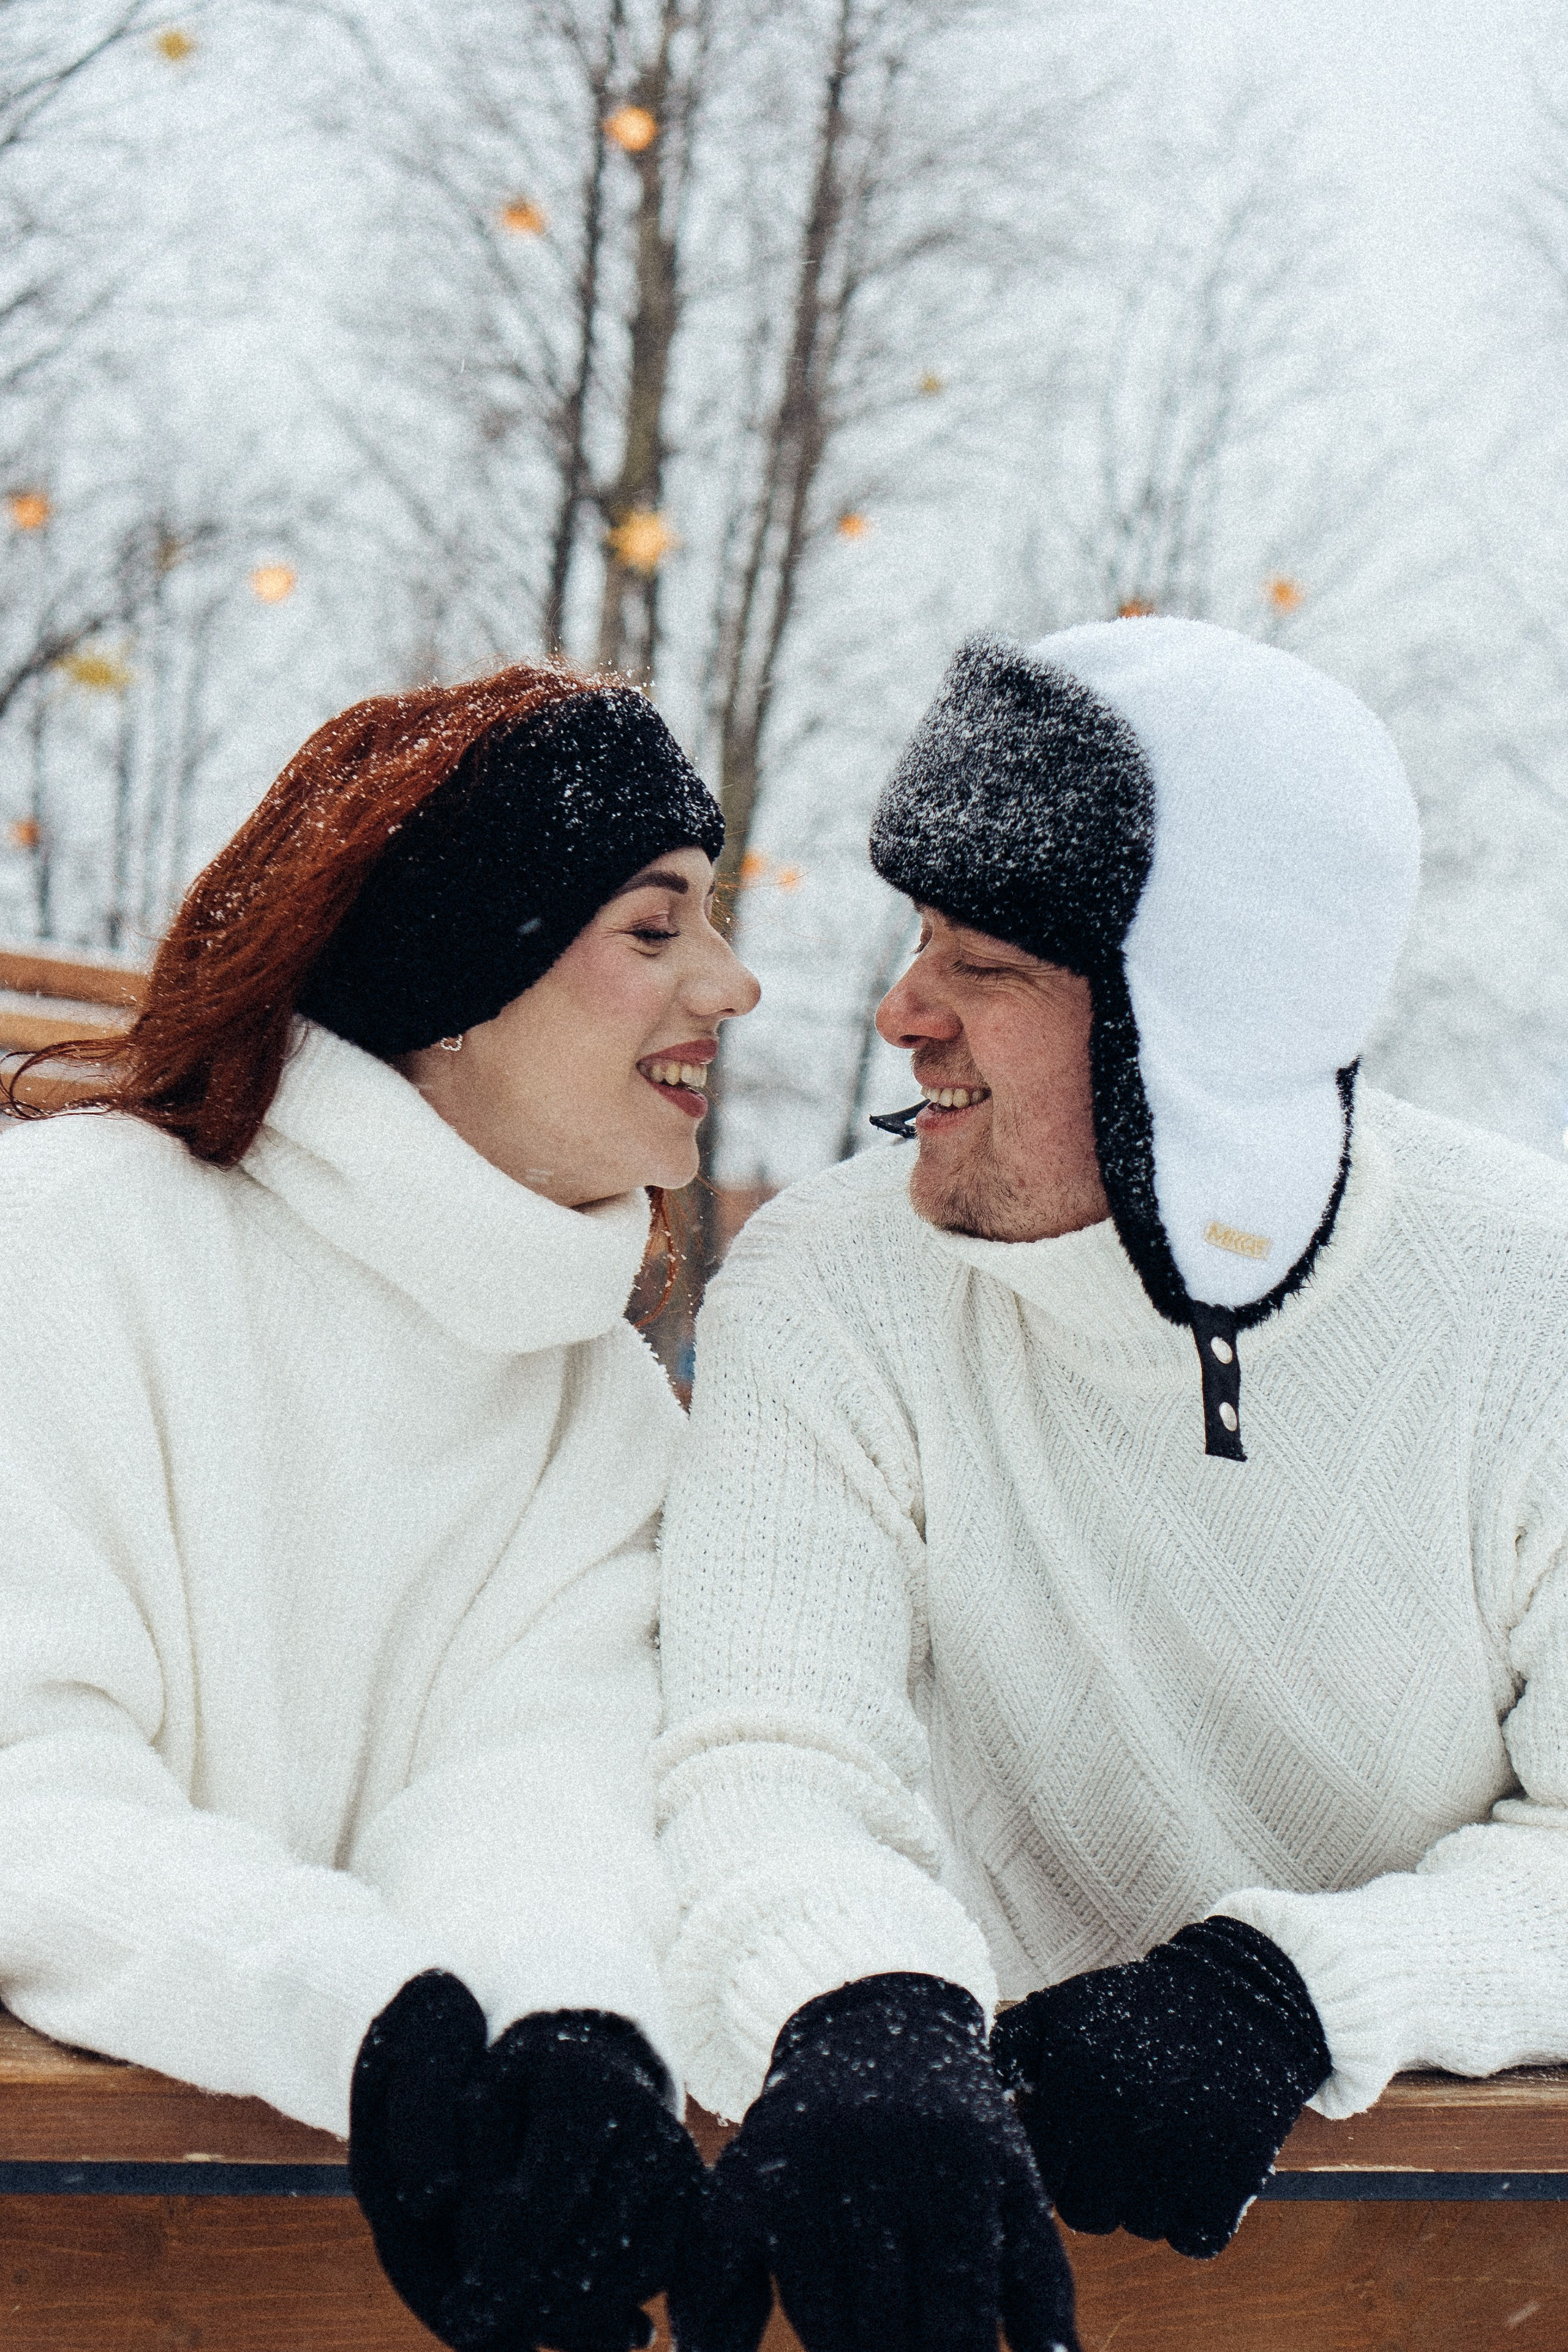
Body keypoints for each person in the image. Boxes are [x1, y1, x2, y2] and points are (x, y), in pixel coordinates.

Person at [656, 618, 1568, 2352]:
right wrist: (853, 1996)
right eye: (917, 939)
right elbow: (766, 1744)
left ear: (1197, 1026)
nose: (899, 1013)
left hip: (1440, 2271)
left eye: (982, 964)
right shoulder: (831, 1287)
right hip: (952, 2247)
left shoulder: (1533, 1303)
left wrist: (1295, 1990)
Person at [0, 659, 758, 2352]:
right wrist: (370, 2019)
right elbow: (23, 1789)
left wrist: (573, 2031)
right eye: (657, 926)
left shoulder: (598, 1402)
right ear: (455, 977)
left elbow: (533, 1782)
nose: (734, 980)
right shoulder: (61, 1250)